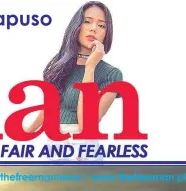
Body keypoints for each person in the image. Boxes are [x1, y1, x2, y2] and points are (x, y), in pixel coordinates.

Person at [26, 2, 122, 161]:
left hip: (82, 150)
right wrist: (29, 130)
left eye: (101, 25)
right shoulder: (60, 64)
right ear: (76, 26)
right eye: (87, 21)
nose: (93, 28)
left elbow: (87, 125)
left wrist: (90, 67)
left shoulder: (111, 75)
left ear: (106, 33)